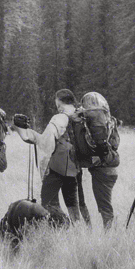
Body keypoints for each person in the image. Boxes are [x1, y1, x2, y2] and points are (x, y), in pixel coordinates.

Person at [11, 89, 82, 226]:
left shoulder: (60, 117)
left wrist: (25, 132)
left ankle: (59, 229)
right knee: (72, 203)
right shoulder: (78, 115)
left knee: (48, 203)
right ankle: (77, 230)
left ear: (59, 101)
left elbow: (45, 143)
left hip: (57, 167)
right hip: (73, 167)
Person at [71, 91, 120, 227]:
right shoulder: (110, 122)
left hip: (103, 169)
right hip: (108, 167)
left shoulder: (88, 122)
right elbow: (114, 145)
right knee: (104, 205)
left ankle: (109, 233)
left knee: (104, 207)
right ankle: (108, 231)